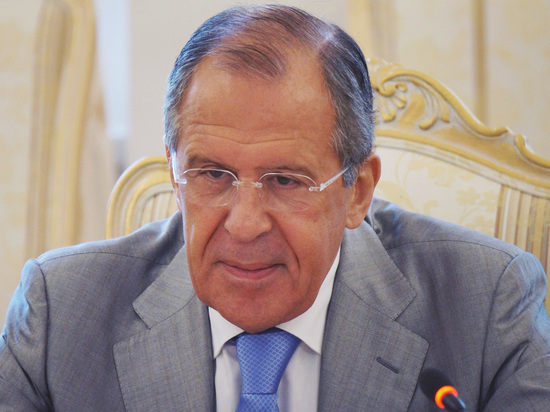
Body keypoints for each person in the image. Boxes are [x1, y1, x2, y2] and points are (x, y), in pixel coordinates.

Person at [1, 4, 549, 411]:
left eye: (286, 181)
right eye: (212, 175)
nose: (244, 224)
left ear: (357, 191)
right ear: (174, 173)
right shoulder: (59, 314)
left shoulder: (486, 309)